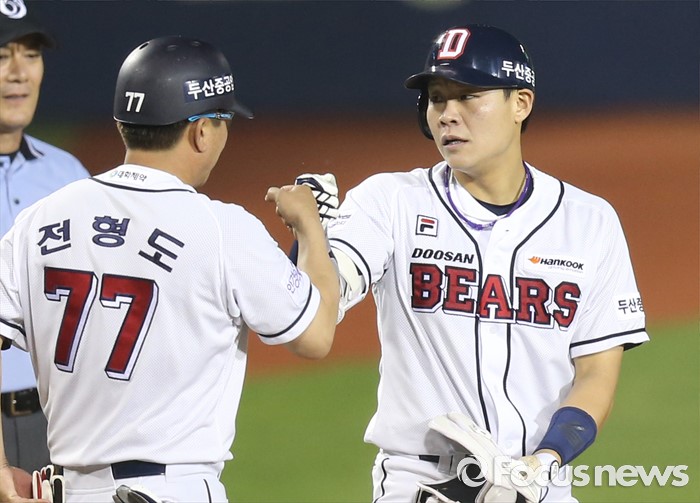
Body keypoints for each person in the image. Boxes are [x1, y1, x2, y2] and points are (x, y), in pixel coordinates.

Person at [295, 24, 649, 502]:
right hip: (420, 482)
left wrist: (544, 461)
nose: (448, 114)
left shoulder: (589, 222)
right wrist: (310, 238)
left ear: (520, 103)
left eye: (468, 96)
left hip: (538, 483)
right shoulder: (391, 201)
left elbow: (596, 374)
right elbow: (315, 311)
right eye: (437, 99)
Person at [0, 35, 339, 502]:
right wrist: (311, 229)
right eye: (222, 121)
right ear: (201, 133)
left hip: (69, 490)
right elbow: (316, 335)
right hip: (172, 491)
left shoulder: (38, 220)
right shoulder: (221, 228)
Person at [0, 0, 89, 473]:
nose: (19, 72)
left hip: (56, 426)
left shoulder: (68, 175)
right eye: (1, 55)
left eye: (31, 55)